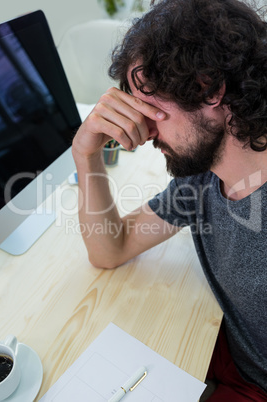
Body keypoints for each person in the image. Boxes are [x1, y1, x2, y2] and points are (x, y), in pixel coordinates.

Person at [72, 0, 267, 400]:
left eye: (150, 104)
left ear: (209, 88)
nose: (142, 130)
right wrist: (85, 154)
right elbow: (112, 248)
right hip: (232, 349)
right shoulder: (203, 179)